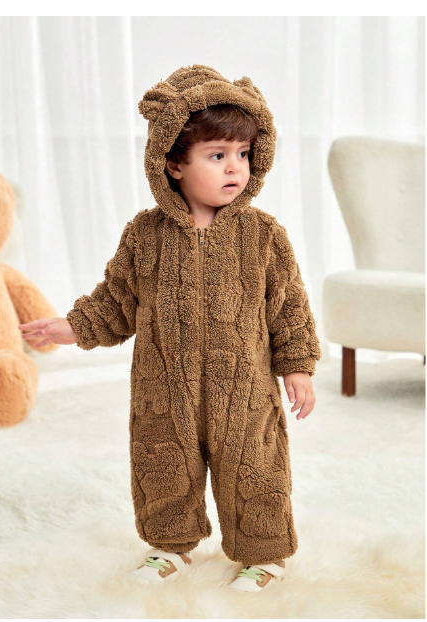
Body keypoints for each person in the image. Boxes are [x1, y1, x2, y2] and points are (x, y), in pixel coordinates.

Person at [19, 64, 322, 593]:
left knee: (255, 467)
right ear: (173, 164)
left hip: (244, 390)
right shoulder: (145, 234)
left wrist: (297, 366)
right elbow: (117, 299)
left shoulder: (263, 235)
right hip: (163, 389)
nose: (235, 167)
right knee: (163, 465)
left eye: (243, 153)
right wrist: (73, 326)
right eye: (217, 155)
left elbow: (289, 306)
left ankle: (264, 552)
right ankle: (170, 546)